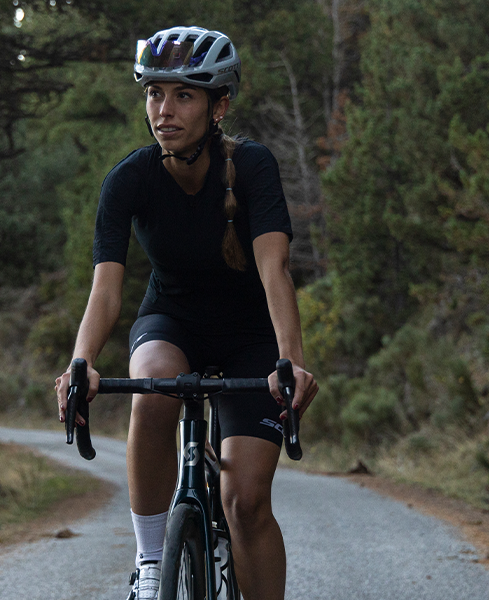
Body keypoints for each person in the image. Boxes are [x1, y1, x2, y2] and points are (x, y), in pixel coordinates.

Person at [52, 25, 319, 600]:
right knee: (152, 389)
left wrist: (291, 362)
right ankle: (152, 565)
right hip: (170, 322)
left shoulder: (253, 167)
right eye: (154, 93)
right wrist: (82, 362)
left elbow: (274, 269)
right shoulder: (129, 178)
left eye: (183, 95)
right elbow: (106, 290)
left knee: (245, 502)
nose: (164, 109)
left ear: (219, 105)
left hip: (251, 337)